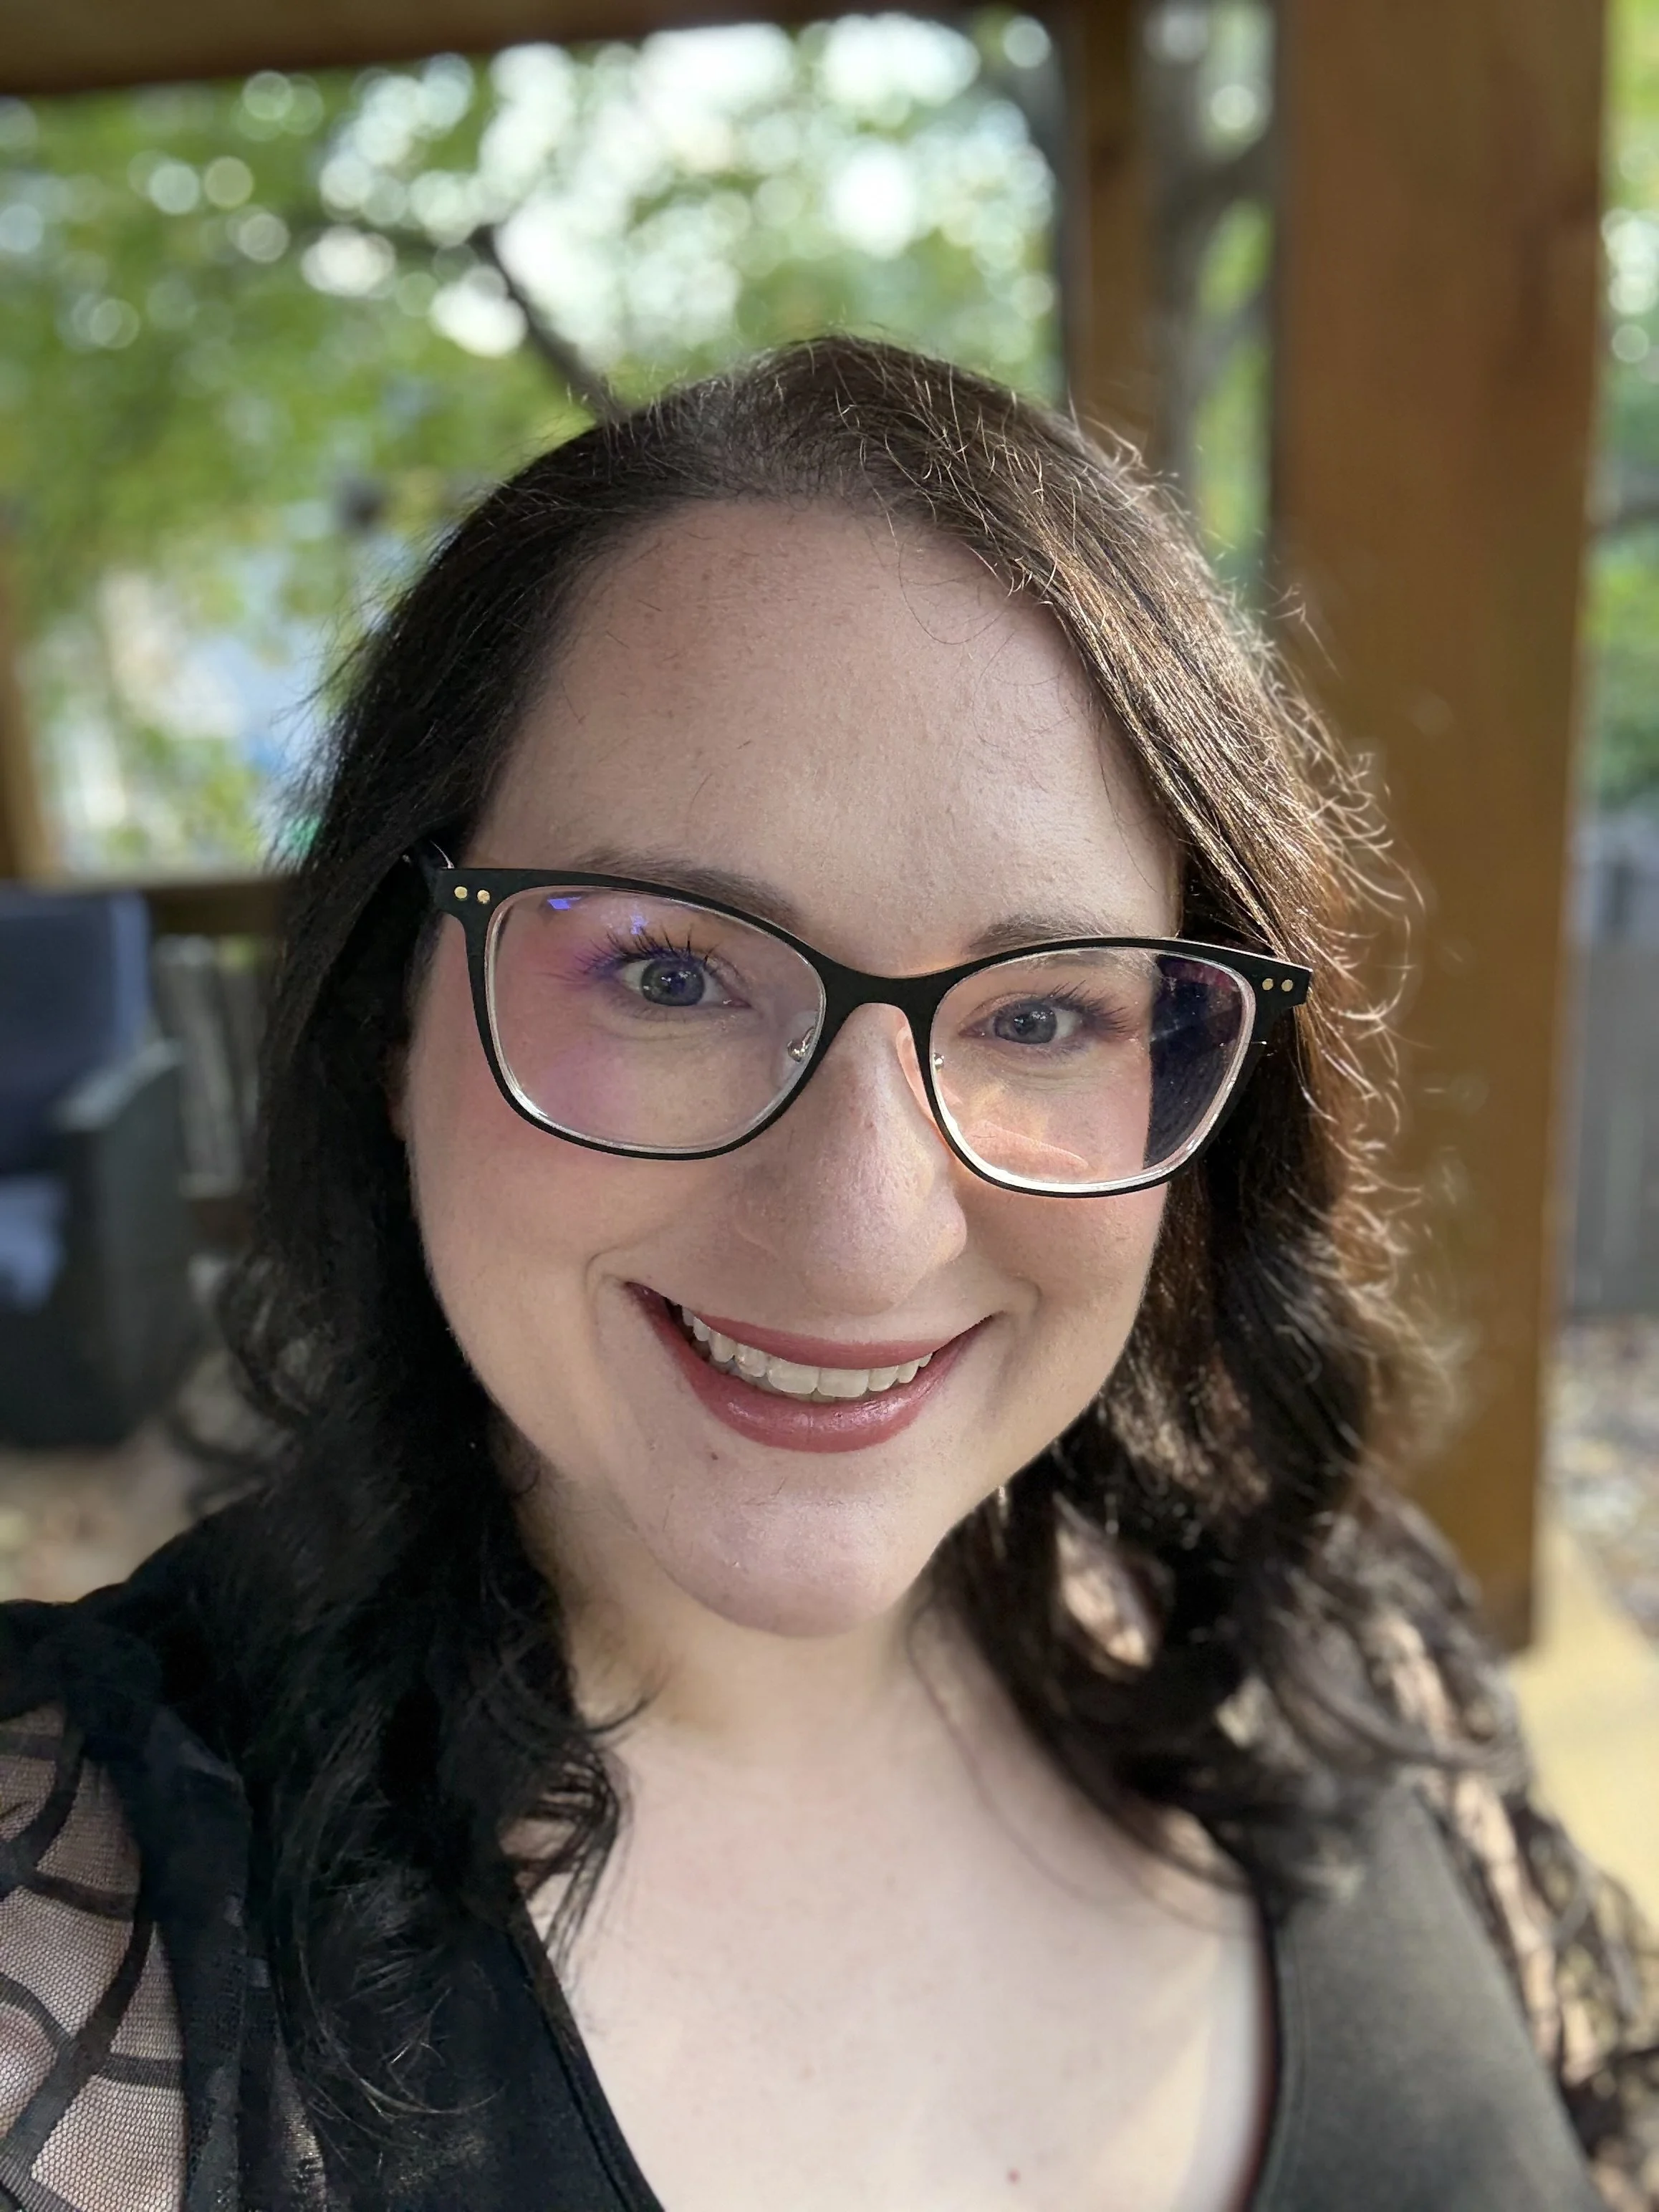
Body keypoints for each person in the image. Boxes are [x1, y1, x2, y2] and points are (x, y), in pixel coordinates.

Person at [1, 338, 1655, 2212]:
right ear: (397, 1005)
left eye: (1042, 1011)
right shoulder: (63, 1950)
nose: (868, 1222)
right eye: (666, 971)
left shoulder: (1349, 1647)